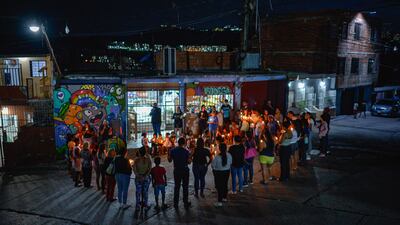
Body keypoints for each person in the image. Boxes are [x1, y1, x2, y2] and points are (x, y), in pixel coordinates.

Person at [168, 137, 192, 209]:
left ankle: (176, 204)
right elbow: (189, 162)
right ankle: (185, 202)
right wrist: (190, 156)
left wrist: (168, 154)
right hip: (185, 170)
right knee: (185, 187)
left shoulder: (173, 150)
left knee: (177, 187)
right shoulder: (186, 151)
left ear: (178, 143)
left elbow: (169, 160)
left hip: (177, 170)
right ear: (184, 143)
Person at [211, 143, 232, 207]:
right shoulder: (229, 155)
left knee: (219, 186)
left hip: (218, 173)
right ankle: (224, 198)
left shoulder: (217, 157)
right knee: (225, 184)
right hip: (227, 171)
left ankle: (219, 202)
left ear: (219, 149)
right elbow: (230, 163)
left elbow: (213, 165)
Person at [133, 147, 152, 211]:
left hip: (138, 178)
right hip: (146, 178)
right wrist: (145, 175)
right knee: (145, 192)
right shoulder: (148, 159)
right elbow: (149, 169)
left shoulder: (136, 160)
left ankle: (137, 206)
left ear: (139, 152)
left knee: (138, 192)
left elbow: (134, 170)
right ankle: (146, 205)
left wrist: (139, 175)